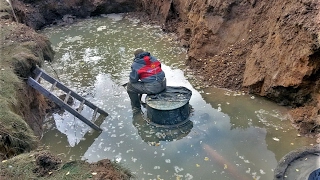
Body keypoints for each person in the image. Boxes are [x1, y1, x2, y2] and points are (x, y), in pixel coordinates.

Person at [126, 49, 166, 115]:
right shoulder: (153, 58)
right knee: (146, 81)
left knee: (130, 86)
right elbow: (157, 68)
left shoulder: (136, 64)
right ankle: (140, 98)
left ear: (136, 56)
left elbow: (133, 80)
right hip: (163, 83)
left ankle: (136, 108)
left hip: (153, 88)